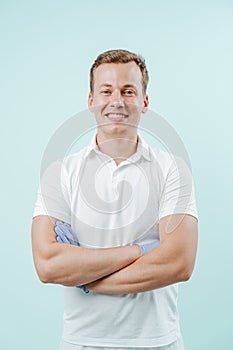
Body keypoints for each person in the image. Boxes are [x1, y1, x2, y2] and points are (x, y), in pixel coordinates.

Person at [31, 49, 198, 350]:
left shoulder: (173, 168)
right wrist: (139, 250)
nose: (117, 101)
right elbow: (48, 264)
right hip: (81, 343)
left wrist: (86, 278)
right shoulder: (60, 172)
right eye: (106, 90)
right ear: (91, 100)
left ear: (144, 102)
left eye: (128, 91)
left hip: (158, 343)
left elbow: (179, 262)